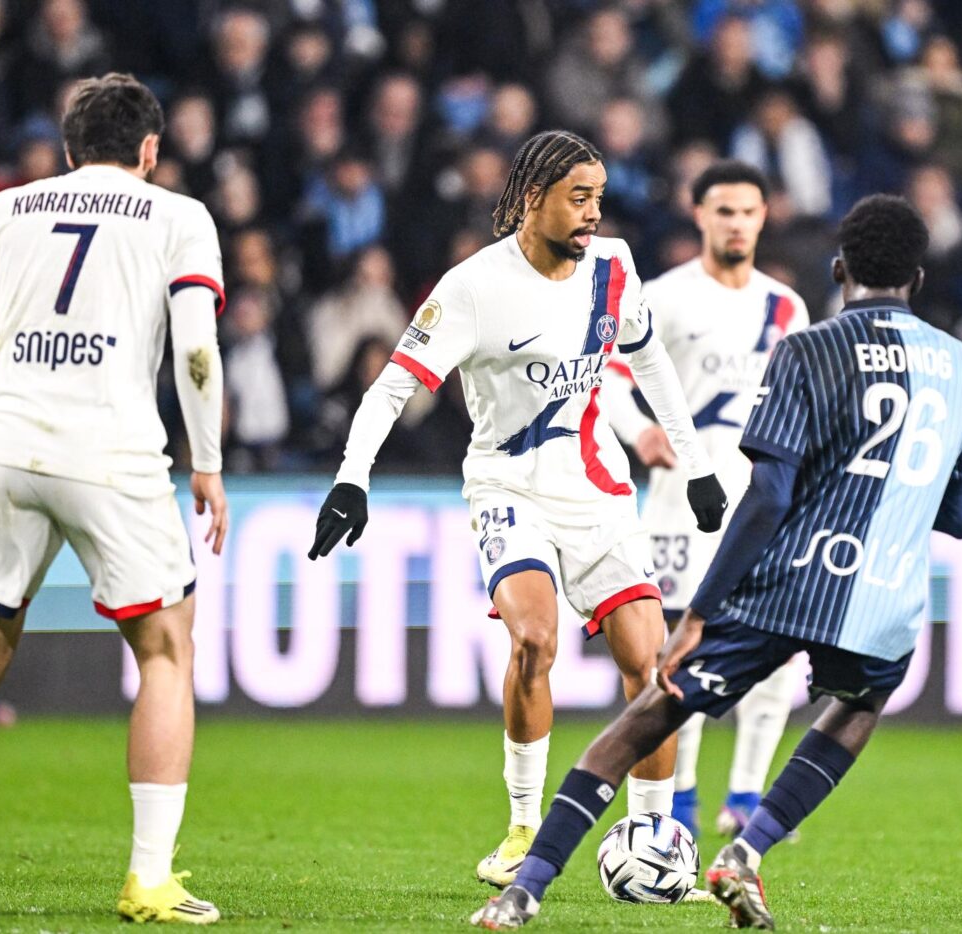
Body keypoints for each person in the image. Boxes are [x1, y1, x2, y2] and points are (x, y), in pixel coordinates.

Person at [472, 194, 962, 930]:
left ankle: (524, 891)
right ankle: (747, 849)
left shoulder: (808, 347)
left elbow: (768, 495)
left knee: (650, 713)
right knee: (859, 704)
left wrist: (701, 614)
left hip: (788, 578)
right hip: (882, 596)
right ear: (920, 278)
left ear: (839, 269)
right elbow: (961, 517)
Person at [307, 130, 727, 888]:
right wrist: (351, 478)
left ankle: (654, 839)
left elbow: (648, 360)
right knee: (534, 639)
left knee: (651, 666)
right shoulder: (472, 288)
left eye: (599, 198)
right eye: (578, 197)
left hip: (597, 491)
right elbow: (394, 385)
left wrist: (695, 465)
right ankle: (524, 829)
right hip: (508, 488)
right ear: (533, 198)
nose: (593, 213)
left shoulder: (613, 268)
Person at [0, 73, 227, 923]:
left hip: (4, 449)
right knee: (165, 651)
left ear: (67, 149)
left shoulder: (4, 210)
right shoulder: (178, 217)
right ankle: (148, 879)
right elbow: (197, 349)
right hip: (112, 455)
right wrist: (207, 462)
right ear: (150, 150)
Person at [600, 160, 809, 841]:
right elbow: (606, 378)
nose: (737, 223)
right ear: (699, 216)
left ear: (763, 217)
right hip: (682, 506)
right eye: (724, 211)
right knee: (676, 656)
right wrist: (639, 431)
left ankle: (745, 795)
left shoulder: (787, 307)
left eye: (748, 211)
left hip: (764, 506)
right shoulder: (662, 298)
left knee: (777, 652)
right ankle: (681, 802)